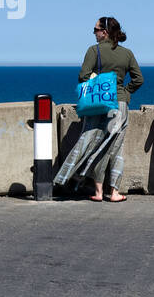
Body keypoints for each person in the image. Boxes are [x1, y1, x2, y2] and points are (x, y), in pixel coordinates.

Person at [54, 16, 144, 202]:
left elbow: (83, 76)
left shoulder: (93, 51)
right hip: (119, 104)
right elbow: (138, 79)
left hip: (97, 102)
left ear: (104, 32)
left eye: (95, 29)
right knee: (114, 148)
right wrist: (125, 93)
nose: (93, 33)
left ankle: (92, 188)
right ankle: (114, 192)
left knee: (88, 140)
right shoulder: (127, 53)